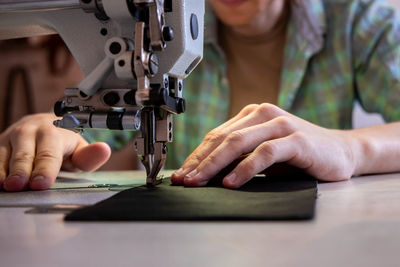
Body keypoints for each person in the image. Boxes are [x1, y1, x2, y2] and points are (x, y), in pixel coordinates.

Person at [1, 0, 400, 192]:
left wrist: (351, 149)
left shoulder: (360, 22)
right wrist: (54, 133)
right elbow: (102, 131)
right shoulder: (163, 26)